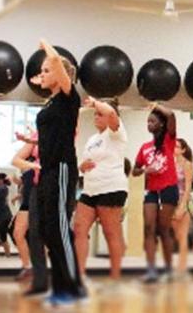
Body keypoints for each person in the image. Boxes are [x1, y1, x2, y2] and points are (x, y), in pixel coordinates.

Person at [32, 39, 84, 306]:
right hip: (48, 170)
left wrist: (47, 48)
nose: (43, 73)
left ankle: (71, 289)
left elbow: (56, 66)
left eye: (47, 69)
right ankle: (63, 287)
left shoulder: (68, 97)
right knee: (47, 231)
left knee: (60, 229)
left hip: (63, 167)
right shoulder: (51, 103)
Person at [74, 97, 128, 286]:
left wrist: (95, 102)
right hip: (90, 190)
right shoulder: (92, 139)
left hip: (111, 188)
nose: (96, 117)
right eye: (95, 114)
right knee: (79, 229)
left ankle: (115, 278)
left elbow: (111, 113)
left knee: (110, 233)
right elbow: (84, 164)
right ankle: (79, 276)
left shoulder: (116, 132)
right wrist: (82, 166)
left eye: (99, 114)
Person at [133, 103, 178, 283]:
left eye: (152, 121)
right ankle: (151, 270)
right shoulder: (144, 147)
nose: (149, 124)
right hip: (151, 190)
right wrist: (145, 169)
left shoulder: (169, 139)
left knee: (163, 229)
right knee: (149, 228)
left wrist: (157, 106)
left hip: (168, 188)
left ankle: (168, 269)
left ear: (161, 124)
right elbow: (134, 171)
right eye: (147, 122)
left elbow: (172, 115)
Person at [11, 129, 40, 281]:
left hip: (39, 194)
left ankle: (36, 267)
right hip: (29, 196)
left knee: (39, 234)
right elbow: (16, 161)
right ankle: (28, 266)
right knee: (18, 232)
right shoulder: (29, 155)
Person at [171, 138, 193, 280]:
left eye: (177, 146)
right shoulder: (168, 164)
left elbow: (188, 186)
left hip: (182, 201)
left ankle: (182, 269)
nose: (174, 148)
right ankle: (172, 268)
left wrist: (183, 206)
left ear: (183, 150)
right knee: (172, 236)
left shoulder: (187, 164)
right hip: (169, 202)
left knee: (182, 236)